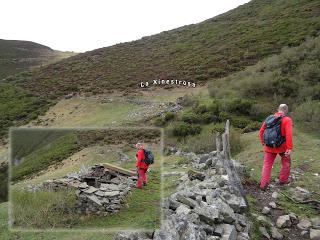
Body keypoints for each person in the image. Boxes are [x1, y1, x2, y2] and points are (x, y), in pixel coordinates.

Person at [259, 104, 293, 190]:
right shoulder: (287, 120)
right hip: (282, 147)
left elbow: (261, 131)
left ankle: (263, 185)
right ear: (286, 110)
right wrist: (289, 148)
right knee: (286, 163)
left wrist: (263, 142)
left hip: (269, 146)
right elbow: (288, 134)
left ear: (278, 109)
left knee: (267, 165)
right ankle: (283, 180)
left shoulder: (269, 118)